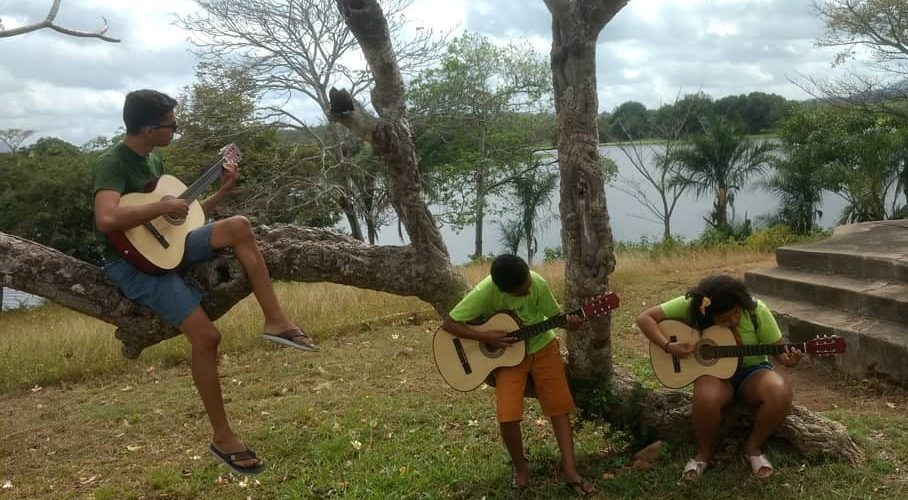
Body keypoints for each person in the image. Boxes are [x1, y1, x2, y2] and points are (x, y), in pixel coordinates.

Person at [93, 89, 319, 475]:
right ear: (149, 128)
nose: (175, 130)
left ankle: (276, 320)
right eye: (172, 125)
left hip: (167, 246)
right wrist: (164, 206)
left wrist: (223, 191)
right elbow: (107, 219)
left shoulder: (155, 159)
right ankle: (223, 437)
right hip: (133, 264)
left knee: (239, 227)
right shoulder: (112, 163)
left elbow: (182, 218)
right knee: (207, 337)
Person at [441, 254, 596, 495]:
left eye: (527, 287)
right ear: (502, 290)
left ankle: (570, 470)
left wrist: (570, 323)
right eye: (519, 293)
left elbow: (557, 318)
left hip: (543, 348)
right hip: (509, 359)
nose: (526, 292)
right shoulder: (485, 292)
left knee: (559, 408)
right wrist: (487, 337)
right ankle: (521, 468)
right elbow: (450, 324)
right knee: (507, 416)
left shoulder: (537, 283)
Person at [636, 274, 803, 480]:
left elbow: (779, 351)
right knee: (706, 398)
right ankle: (704, 453)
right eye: (724, 319)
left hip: (752, 372)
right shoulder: (694, 305)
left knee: (780, 390)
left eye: (735, 313)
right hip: (713, 374)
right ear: (707, 315)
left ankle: (753, 448)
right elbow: (645, 318)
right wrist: (668, 346)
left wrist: (789, 360)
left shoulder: (756, 310)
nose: (733, 320)